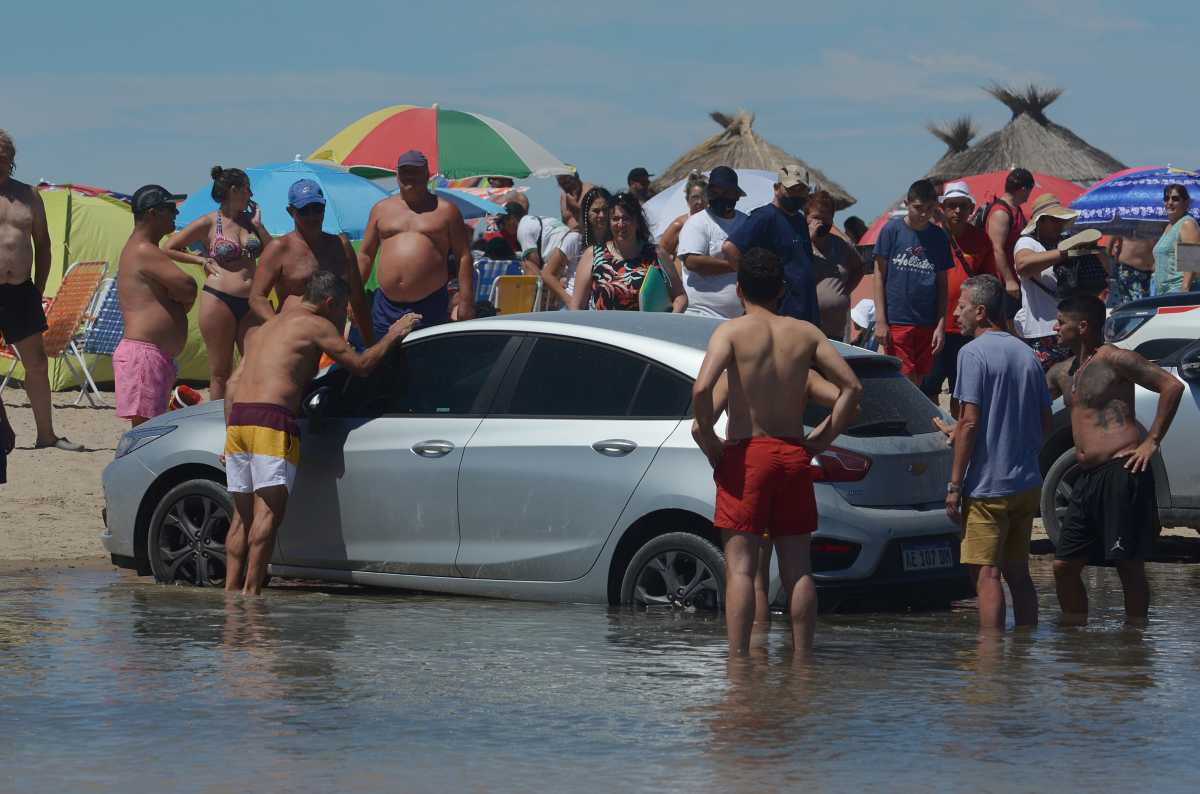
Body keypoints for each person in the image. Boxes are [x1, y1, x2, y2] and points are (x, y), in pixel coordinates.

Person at [692, 248, 862, 655]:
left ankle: (739, 664)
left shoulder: (731, 332)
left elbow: (701, 391)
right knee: (798, 570)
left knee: (741, 569)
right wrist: (823, 436)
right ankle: (803, 663)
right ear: (782, 290)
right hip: (791, 455)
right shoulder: (806, 333)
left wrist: (712, 442)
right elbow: (852, 388)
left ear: (738, 289)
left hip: (748, 453)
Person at [223, 272, 421, 596]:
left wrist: (230, 432)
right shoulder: (316, 325)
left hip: (240, 420)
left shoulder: (263, 329)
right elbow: (360, 364)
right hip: (273, 420)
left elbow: (231, 384)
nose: (344, 315)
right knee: (268, 514)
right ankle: (251, 598)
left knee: (240, 517)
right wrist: (393, 334)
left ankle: (230, 598)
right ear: (329, 303)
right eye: (343, 308)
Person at [1046, 294, 1184, 623]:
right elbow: (1026, 400)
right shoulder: (1064, 372)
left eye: (1061, 322)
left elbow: (1171, 386)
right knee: (1063, 566)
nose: (1055, 327)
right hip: (1086, 477)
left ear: (1082, 326)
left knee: (1128, 565)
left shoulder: (1115, 359)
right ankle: (1075, 643)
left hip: (1122, 471)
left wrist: (1151, 441)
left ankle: (1135, 644)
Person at [942, 274, 1049, 631]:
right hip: (1026, 483)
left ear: (981, 311)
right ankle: (1023, 654)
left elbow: (970, 422)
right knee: (1018, 572)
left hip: (988, 488)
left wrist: (955, 485)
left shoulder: (971, 353)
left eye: (961, 306)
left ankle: (989, 669)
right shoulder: (1027, 353)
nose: (956, 313)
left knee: (986, 574)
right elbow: (1044, 419)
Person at [0, 129, 82, 451]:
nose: (3, 158)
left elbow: (43, 245)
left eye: (6, 153)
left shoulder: (29, 195)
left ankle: (46, 435)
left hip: (21, 290)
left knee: (36, 363)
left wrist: (40, 287)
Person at [164, 166, 269, 400]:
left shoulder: (251, 222)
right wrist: (200, 259)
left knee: (257, 365)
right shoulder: (209, 222)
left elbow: (273, 252)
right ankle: (218, 424)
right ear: (234, 190)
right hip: (219, 298)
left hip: (252, 301)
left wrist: (260, 226)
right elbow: (169, 247)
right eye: (247, 189)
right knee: (220, 372)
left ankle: (248, 415)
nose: (251, 195)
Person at [357, 150, 474, 340]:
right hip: (386, 306)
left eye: (415, 171)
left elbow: (463, 255)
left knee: (427, 361)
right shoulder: (381, 209)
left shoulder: (446, 211)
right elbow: (365, 255)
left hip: (430, 304)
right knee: (380, 361)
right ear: (397, 175)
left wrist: (467, 300)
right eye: (405, 171)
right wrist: (353, 298)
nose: (409, 177)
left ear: (427, 174)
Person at [248, 179, 373, 344]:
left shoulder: (341, 245)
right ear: (290, 211)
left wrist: (371, 344)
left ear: (324, 207)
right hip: (295, 343)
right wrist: (276, 326)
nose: (312, 216)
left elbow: (358, 299)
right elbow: (256, 297)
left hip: (334, 344)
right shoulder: (279, 248)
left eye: (317, 208)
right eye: (304, 210)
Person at [114, 186, 198, 426]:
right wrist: (182, 303)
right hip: (144, 356)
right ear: (152, 213)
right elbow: (188, 287)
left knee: (150, 431)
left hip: (151, 355)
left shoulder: (142, 249)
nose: (176, 215)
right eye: (170, 209)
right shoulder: (144, 250)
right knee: (145, 434)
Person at [922, 181, 996, 404]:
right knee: (928, 388)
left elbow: (988, 282)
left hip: (966, 328)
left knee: (962, 391)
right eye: (952, 205)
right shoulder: (929, 236)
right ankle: (933, 434)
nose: (957, 211)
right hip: (934, 325)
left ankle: (959, 433)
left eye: (963, 206)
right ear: (942, 208)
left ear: (971, 209)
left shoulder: (981, 239)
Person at [873, 179, 952, 386]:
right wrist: (881, 320)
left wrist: (941, 324)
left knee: (919, 380)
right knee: (904, 380)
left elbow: (943, 284)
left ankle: (912, 418)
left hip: (927, 321)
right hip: (897, 319)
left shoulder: (939, 237)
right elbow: (879, 275)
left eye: (929, 209)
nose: (924, 214)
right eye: (918, 208)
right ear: (907, 203)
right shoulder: (891, 230)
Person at [722, 165, 821, 325]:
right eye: (792, 189)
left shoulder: (800, 220)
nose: (796, 195)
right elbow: (730, 248)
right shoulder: (764, 217)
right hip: (779, 313)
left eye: (801, 190)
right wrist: (754, 284)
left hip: (805, 312)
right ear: (777, 188)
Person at [1013, 194, 1093, 371]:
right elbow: (1022, 265)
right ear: (1040, 222)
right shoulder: (1027, 242)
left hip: (1070, 331)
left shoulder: (1063, 242)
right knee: (1044, 388)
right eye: (1054, 219)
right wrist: (1063, 253)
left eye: (1060, 219)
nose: (1059, 224)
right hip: (1042, 332)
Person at [572, 192, 685, 312]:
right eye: (615, 219)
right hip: (604, 330)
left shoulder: (656, 254)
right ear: (609, 223)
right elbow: (576, 306)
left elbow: (680, 296)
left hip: (646, 329)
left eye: (626, 218)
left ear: (637, 221)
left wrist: (669, 319)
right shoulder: (593, 255)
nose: (621, 224)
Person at [677, 166, 746, 319]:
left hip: (739, 317)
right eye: (715, 192)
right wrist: (737, 266)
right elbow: (693, 262)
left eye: (726, 192)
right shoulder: (697, 222)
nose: (721, 196)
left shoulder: (746, 222)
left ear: (736, 195)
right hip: (702, 315)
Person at [808, 189, 864, 340]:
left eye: (826, 218)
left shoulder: (841, 245)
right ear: (806, 217)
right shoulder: (798, 243)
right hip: (806, 328)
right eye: (816, 217)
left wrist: (844, 291)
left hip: (834, 330)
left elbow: (859, 267)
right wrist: (808, 241)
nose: (821, 223)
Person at [514, 204, 583, 308]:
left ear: (511, 219)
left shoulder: (522, 228)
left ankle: (533, 308)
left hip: (559, 256)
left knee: (527, 265)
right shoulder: (540, 219)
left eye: (501, 224)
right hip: (569, 255)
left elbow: (533, 261)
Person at [985, 167, 1034, 310]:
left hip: (1014, 280)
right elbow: (996, 249)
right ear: (1024, 189)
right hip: (1002, 282)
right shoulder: (1001, 212)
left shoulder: (1015, 209)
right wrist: (1009, 280)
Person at [658, 171, 708, 281]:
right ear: (687, 200)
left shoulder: (714, 222)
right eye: (695, 197)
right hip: (683, 285)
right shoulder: (679, 225)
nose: (699, 201)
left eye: (704, 197)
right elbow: (660, 255)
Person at [1152, 183, 1200, 295]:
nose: (1169, 202)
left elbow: (1191, 260)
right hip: (1163, 292)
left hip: (1178, 290)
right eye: (1166, 198)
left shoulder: (1187, 224)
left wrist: (1185, 289)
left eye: (1175, 199)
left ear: (1186, 202)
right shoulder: (1169, 226)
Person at [1106, 234, 1155, 306]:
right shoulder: (1125, 224)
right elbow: (1109, 246)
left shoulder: (1156, 224)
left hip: (1150, 272)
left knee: (1147, 303)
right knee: (1135, 304)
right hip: (1129, 269)